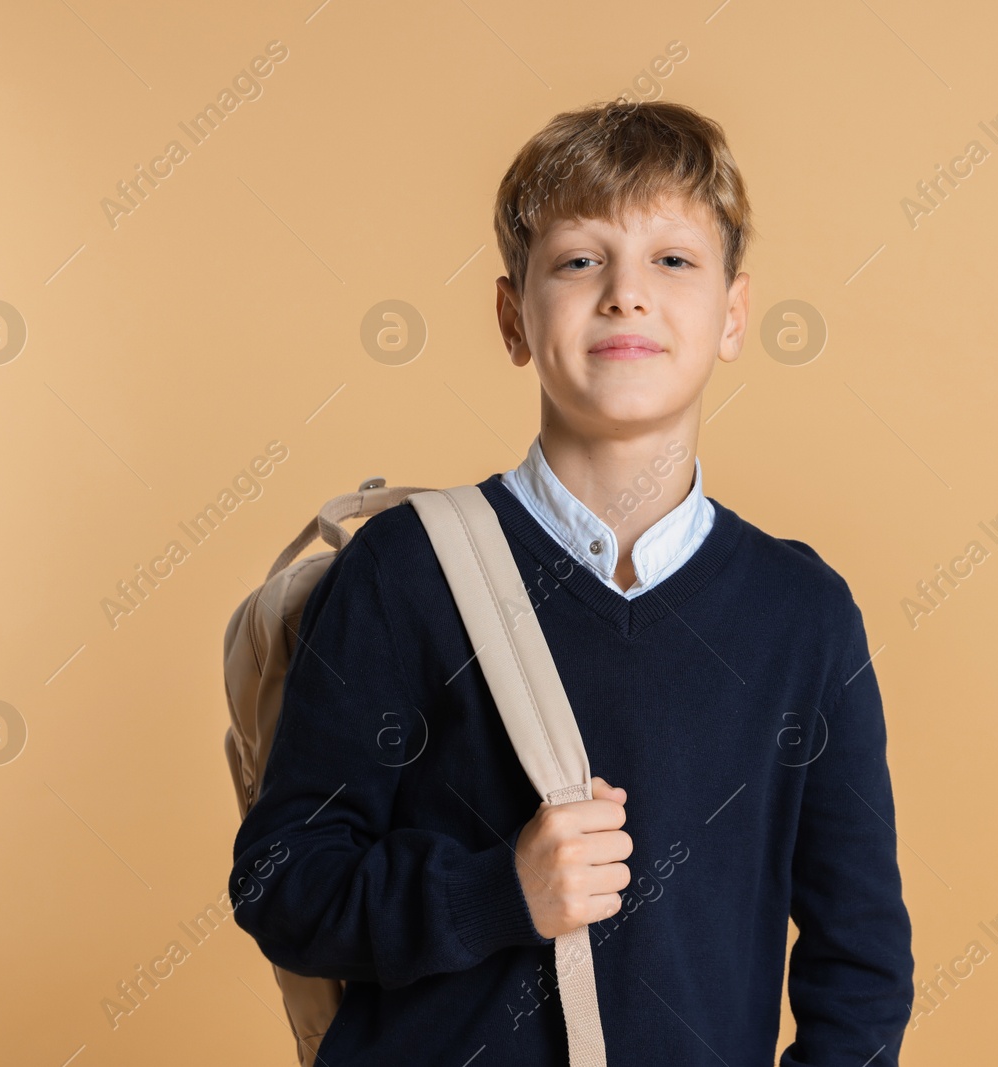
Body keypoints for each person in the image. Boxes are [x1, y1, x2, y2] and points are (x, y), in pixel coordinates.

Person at [230, 98, 913, 1066]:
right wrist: (499, 892)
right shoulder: (406, 569)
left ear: (732, 314)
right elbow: (281, 880)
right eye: (579, 260)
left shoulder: (799, 612)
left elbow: (862, 957)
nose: (625, 294)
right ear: (514, 317)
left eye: (672, 260)